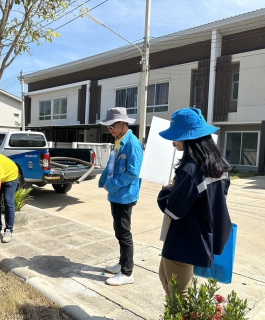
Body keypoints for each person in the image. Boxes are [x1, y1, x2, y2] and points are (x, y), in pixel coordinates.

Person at [157, 107, 232, 299]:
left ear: (187, 138)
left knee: (179, 292)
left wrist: (166, 190)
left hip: (184, 239)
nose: (173, 143)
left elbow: (173, 210)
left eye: (176, 137)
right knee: (167, 277)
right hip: (205, 233)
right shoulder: (220, 165)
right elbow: (217, 197)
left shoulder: (190, 171)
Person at [98, 107, 143, 286]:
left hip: (125, 195)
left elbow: (133, 173)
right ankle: (122, 263)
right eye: (107, 126)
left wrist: (111, 184)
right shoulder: (119, 140)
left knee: (124, 233)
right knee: (119, 230)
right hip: (116, 195)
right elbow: (111, 165)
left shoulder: (133, 144)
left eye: (112, 126)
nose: (110, 130)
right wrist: (103, 180)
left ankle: (127, 272)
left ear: (123, 123)